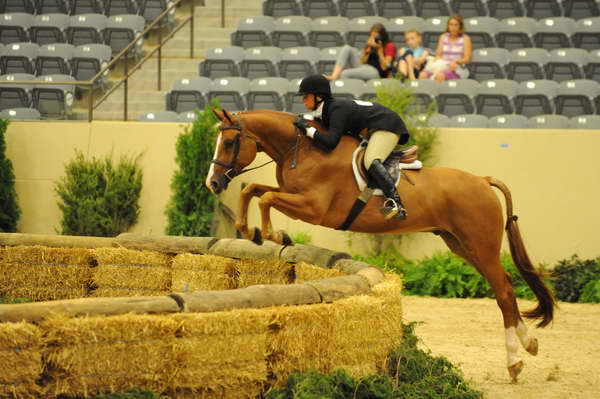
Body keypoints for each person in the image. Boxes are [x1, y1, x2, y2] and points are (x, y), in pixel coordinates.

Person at [292, 74, 410, 220]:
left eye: (305, 96)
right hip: (373, 129)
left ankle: (396, 203)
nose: (303, 100)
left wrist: (308, 130)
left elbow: (330, 142)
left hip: (386, 125)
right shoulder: (326, 110)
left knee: (370, 160)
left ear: (319, 96)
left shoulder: (336, 108)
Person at [324, 23, 396, 81]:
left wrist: (379, 50)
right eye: (372, 36)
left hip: (376, 72)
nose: (374, 39)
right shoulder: (371, 46)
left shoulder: (389, 46)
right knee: (347, 48)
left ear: (382, 36)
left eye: (376, 37)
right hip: (364, 67)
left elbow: (384, 67)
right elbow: (362, 62)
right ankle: (334, 76)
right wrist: (367, 50)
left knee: (345, 73)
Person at [419, 14, 472, 82]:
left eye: (456, 25)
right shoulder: (443, 37)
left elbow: (467, 59)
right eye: (451, 25)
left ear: (460, 27)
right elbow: (439, 55)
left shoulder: (465, 39)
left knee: (440, 76)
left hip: (456, 67)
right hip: (442, 64)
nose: (453, 27)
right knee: (423, 74)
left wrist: (456, 62)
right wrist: (436, 61)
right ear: (448, 26)